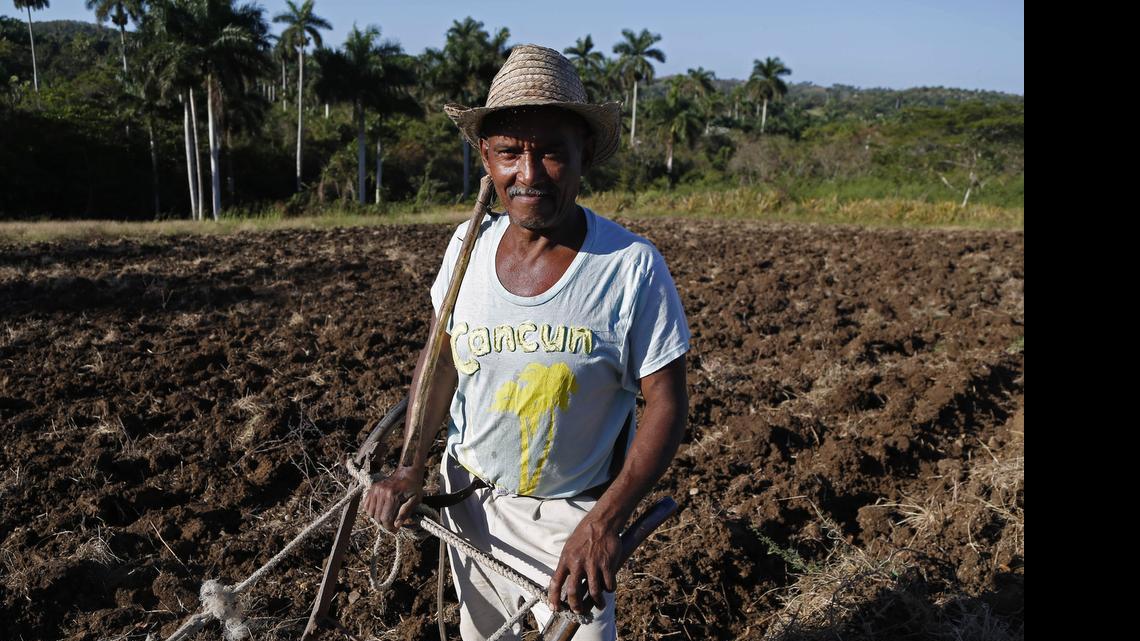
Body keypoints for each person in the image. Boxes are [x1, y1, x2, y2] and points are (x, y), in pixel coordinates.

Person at [363, 44, 690, 641]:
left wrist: (605, 521)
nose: (529, 174)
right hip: (470, 504)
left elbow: (666, 403)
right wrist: (411, 467)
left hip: (571, 519)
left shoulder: (629, 267)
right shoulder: (467, 249)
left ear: (584, 153)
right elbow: (442, 362)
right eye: (510, 152)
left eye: (551, 153)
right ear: (486, 157)